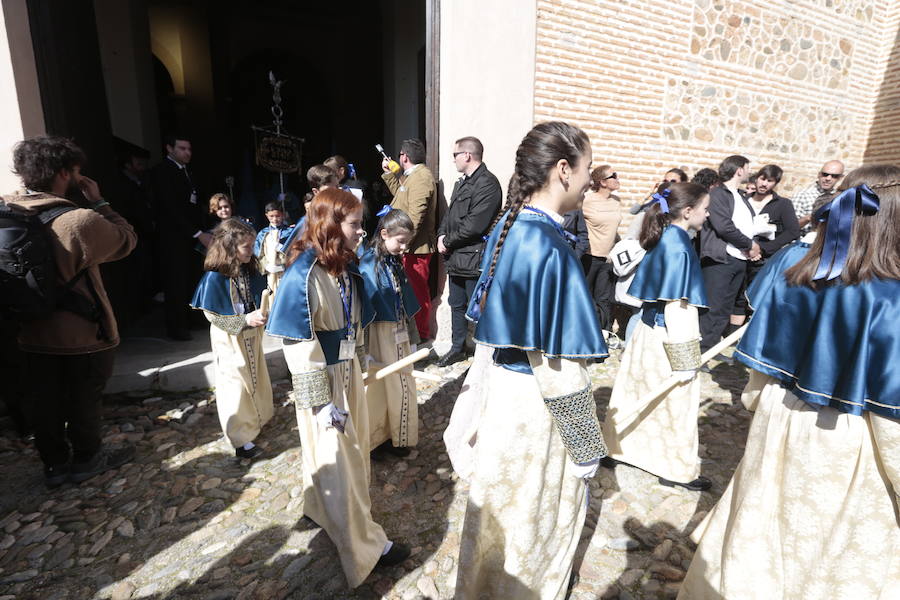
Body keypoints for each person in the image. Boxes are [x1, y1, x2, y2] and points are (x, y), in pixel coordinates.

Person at [679, 165, 900, 599]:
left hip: (779, 422)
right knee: (822, 557)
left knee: (766, 531)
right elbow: (891, 429)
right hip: (850, 445)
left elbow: (755, 388)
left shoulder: (796, 275)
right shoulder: (891, 302)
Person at [446, 121, 609, 599]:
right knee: (532, 511)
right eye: (586, 169)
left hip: (507, 393)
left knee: (505, 503)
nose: (588, 179)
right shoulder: (546, 243)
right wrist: (584, 445)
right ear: (563, 170)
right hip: (537, 405)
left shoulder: (511, 224)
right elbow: (556, 364)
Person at [266, 188, 410, 587]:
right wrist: (321, 403)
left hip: (347, 375)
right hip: (325, 383)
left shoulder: (344, 267)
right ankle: (365, 546)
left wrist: (361, 359)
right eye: (354, 225)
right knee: (340, 463)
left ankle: (319, 506)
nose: (362, 232)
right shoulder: (303, 275)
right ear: (331, 225)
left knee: (350, 454)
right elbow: (299, 345)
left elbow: (354, 318)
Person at [4, 136, 137, 487]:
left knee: (42, 400)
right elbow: (126, 239)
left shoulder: (6, 213)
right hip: (81, 332)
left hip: (28, 331)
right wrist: (100, 201)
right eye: (76, 171)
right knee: (84, 398)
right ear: (65, 173)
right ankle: (87, 459)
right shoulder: (79, 220)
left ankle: (53, 465)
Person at [601, 183, 712, 491]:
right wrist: (686, 358)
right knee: (678, 402)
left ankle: (617, 447)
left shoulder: (667, 238)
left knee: (634, 390)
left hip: (648, 334)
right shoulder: (678, 246)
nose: (708, 214)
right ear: (688, 212)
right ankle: (675, 468)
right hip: (669, 336)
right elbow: (678, 306)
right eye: (705, 208)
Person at [190, 218, 274, 460]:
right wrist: (244, 321)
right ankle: (240, 438)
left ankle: (255, 422)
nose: (252, 251)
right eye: (246, 247)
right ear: (230, 248)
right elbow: (214, 315)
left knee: (255, 379)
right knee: (235, 387)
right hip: (230, 340)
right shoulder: (215, 278)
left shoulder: (247, 270)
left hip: (251, 336)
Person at [359, 207, 421, 459]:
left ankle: (397, 436)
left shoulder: (393, 262)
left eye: (407, 242)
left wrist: (412, 335)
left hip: (397, 331)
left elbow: (403, 299)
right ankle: (377, 439)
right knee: (379, 387)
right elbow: (364, 307)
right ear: (384, 234)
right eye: (401, 242)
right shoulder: (368, 265)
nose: (404, 248)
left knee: (400, 384)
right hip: (378, 334)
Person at [436, 136, 502, 367]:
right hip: (456, 256)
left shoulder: (487, 184)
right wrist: (441, 235)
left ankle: (486, 354)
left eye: (455, 155)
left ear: (467, 155)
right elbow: (450, 214)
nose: (453, 159)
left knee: (479, 308)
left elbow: (476, 224)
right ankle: (458, 348)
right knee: (456, 304)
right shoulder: (462, 182)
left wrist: (449, 240)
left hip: (475, 257)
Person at [698, 155, 759, 352]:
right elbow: (724, 226)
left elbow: (747, 224)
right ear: (739, 169)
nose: (750, 172)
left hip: (738, 259)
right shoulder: (718, 194)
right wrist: (748, 244)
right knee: (712, 309)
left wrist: (752, 246)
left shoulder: (741, 196)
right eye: (748, 168)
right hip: (719, 259)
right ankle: (699, 350)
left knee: (725, 308)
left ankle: (710, 349)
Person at [148, 133, 207, 341]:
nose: (187, 152)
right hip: (172, 237)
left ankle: (192, 320)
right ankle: (177, 327)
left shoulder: (187, 171)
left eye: (189, 149)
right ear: (169, 149)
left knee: (191, 278)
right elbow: (169, 208)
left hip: (189, 236)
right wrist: (198, 233)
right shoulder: (162, 171)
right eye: (182, 148)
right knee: (176, 282)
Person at [729, 165, 801, 332]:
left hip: (763, 259)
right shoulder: (743, 199)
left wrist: (763, 248)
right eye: (762, 179)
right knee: (735, 295)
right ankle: (729, 336)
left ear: (775, 183)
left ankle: (746, 336)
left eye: (770, 181)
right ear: (756, 178)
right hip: (738, 253)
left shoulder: (783, 204)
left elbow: (793, 231)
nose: (764, 184)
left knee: (752, 296)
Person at [380, 139, 438, 341]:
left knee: (418, 294)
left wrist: (403, 245)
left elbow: (415, 216)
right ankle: (414, 334)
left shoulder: (421, 178)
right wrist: (389, 174)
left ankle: (422, 336)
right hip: (409, 246)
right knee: (410, 292)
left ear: (404, 156)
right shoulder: (411, 176)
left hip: (416, 248)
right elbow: (401, 195)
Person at [582, 165, 623, 331]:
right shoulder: (586, 200)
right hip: (589, 256)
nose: (617, 178)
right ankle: (584, 333)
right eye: (613, 175)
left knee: (604, 299)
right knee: (585, 297)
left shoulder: (616, 201)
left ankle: (603, 335)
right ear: (602, 182)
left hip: (608, 258)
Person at [253, 201, 294, 300]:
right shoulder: (263, 233)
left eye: (277, 216)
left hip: (286, 270)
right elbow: (258, 253)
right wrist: (265, 266)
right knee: (272, 295)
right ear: (267, 216)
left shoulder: (289, 232)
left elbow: (295, 251)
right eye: (271, 216)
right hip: (271, 271)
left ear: (283, 215)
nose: (275, 219)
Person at [791, 159, 844, 232]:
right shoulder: (803, 195)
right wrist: (810, 218)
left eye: (834, 176)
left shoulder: (840, 197)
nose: (828, 178)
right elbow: (790, 227)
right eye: (825, 174)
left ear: (840, 178)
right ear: (819, 174)